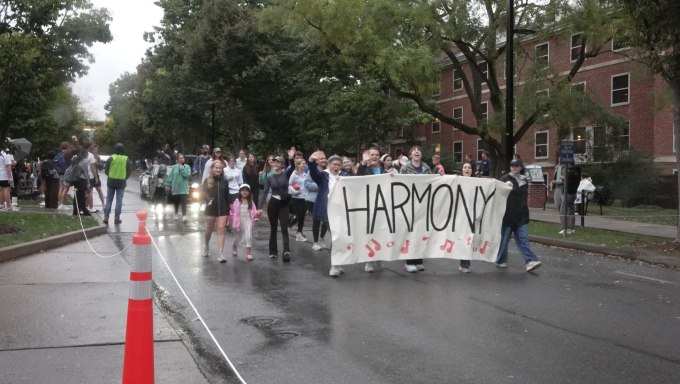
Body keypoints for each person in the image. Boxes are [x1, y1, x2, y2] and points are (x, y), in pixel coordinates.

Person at [400, 146, 442, 273]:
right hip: (410, 204)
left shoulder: (426, 168)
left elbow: (432, 183)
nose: (417, 151)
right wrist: (399, 171)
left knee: (420, 234)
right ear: (411, 154)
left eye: (419, 150)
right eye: (414, 150)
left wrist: (439, 177)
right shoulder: (406, 168)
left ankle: (418, 261)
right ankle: (409, 262)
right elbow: (401, 183)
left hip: (423, 204)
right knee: (411, 233)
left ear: (421, 155)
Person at [496, 159, 542, 272]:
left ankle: (530, 260)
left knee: (523, 238)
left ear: (521, 167)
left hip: (521, 215)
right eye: (512, 165)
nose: (514, 167)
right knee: (504, 240)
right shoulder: (505, 178)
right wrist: (504, 186)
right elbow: (497, 192)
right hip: (508, 215)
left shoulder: (525, 180)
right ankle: (500, 260)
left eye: (516, 165)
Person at [308, 151, 348, 276]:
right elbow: (313, 172)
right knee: (336, 236)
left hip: (340, 210)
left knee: (341, 237)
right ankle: (334, 266)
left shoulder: (344, 175)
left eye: (338, 165)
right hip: (326, 211)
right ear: (329, 164)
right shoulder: (323, 176)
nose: (336, 167)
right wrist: (311, 160)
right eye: (334, 164)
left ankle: (338, 263)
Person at [258, 149, 296, 261]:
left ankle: (286, 251)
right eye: (274, 162)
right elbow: (265, 192)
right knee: (273, 228)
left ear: (282, 165)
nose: (275, 164)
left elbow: (293, 166)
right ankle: (273, 251)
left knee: (284, 228)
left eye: (278, 162)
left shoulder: (286, 174)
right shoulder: (270, 178)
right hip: (273, 203)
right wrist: (259, 207)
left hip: (283, 204)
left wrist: (291, 157)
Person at [356, 148, 388, 273]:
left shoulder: (384, 171)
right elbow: (358, 178)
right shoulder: (365, 169)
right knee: (370, 233)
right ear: (368, 156)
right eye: (372, 155)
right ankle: (369, 260)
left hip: (383, 206)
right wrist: (363, 163)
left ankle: (379, 256)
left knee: (382, 232)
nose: (374, 156)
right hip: (368, 206)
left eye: (377, 155)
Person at [202, 161, 230, 261]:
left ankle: (221, 254)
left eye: (220, 168)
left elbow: (227, 195)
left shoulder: (224, 181)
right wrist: (208, 200)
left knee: (221, 230)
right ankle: (206, 245)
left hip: (222, 208)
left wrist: (229, 210)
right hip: (211, 208)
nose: (218, 170)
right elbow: (204, 192)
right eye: (216, 168)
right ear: (212, 168)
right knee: (209, 230)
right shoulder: (207, 180)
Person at [304, 153, 328, 251]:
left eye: (324, 158)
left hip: (325, 200)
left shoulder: (328, 172)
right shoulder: (312, 171)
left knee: (326, 220)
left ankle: (322, 237)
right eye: (321, 159)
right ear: (316, 161)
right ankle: (315, 242)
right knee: (316, 220)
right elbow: (306, 184)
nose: (323, 160)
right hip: (313, 199)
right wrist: (321, 187)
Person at [230, 184, 260, 261]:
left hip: (248, 221)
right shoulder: (237, 201)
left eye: (246, 190)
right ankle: (234, 246)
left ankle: (248, 253)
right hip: (239, 222)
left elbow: (254, 212)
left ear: (249, 192)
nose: (244, 192)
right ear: (240, 192)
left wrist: (258, 213)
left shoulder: (251, 202)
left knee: (248, 236)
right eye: (243, 190)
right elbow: (232, 212)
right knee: (237, 237)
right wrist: (231, 220)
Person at [103, 144, 132, 225]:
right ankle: (117, 218)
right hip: (121, 182)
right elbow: (129, 170)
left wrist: (110, 175)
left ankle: (106, 217)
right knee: (119, 200)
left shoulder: (111, 158)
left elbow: (106, 170)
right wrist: (125, 177)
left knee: (109, 199)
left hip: (111, 181)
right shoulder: (126, 159)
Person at [457, 163, 474, 273]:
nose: (467, 169)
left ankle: (465, 264)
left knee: (470, 240)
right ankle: (464, 265)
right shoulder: (457, 180)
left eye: (469, 167)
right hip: (460, 215)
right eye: (465, 167)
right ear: (462, 170)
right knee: (464, 239)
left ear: (472, 170)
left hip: (472, 215)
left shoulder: (478, 182)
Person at [165, 153, 191, 222]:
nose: (181, 159)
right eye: (180, 158)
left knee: (183, 202)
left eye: (182, 158)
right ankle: (176, 213)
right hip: (176, 187)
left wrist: (181, 168)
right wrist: (168, 184)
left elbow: (187, 175)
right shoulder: (174, 167)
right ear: (177, 159)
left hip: (184, 188)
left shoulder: (187, 167)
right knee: (176, 202)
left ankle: (184, 216)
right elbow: (171, 176)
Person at [288, 158, 309, 241]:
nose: (304, 165)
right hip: (296, 198)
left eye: (305, 163)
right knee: (299, 215)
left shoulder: (305, 174)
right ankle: (288, 227)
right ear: (298, 165)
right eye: (303, 163)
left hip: (305, 198)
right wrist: (295, 192)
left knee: (302, 216)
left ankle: (299, 234)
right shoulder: (294, 174)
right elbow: (289, 185)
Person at [560, 161, 581, 234]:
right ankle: (572, 228)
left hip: (568, 193)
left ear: (569, 164)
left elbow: (568, 182)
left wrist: (564, 178)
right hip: (573, 193)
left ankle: (566, 227)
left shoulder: (570, 172)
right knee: (571, 211)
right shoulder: (577, 172)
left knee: (563, 210)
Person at [71, 149, 92, 217]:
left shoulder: (76, 160)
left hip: (76, 181)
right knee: (80, 196)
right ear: (86, 155)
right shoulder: (84, 162)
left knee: (78, 195)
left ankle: (83, 209)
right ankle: (77, 211)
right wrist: (88, 182)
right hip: (82, 181)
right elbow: (86, 173)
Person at [551, 153, 567, 230]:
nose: (559, 160)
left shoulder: (566, 167)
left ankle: (567, 225)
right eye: (559, 158)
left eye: (561, 158)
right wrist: (552, 184)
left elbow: (566, 180)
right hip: (557, 188)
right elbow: (554, 177)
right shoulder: (557, 167)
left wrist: (557, 182)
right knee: (559, 206)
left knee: (564, 208)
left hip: (563, 189)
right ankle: (562, 225)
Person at [89, 144, 106, 212]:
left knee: (99, 189)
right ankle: (90, 206)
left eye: (96, 149)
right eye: (94, 149)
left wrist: (97, 163)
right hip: (90, 175)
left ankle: (103, 204)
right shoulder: (89, 155)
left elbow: (101, 166)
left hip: (96, 174)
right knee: (90, 191)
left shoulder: (97, 156)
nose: (95, 150)